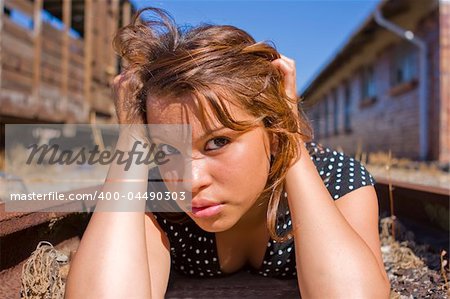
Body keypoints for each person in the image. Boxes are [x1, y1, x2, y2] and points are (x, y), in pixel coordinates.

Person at [65, 7, 391, 298]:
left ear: (272, 134)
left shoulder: (337, 178)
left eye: (218, 142)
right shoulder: (156, 192)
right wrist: (132, 135)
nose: (189, 181)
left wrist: (289, 134)